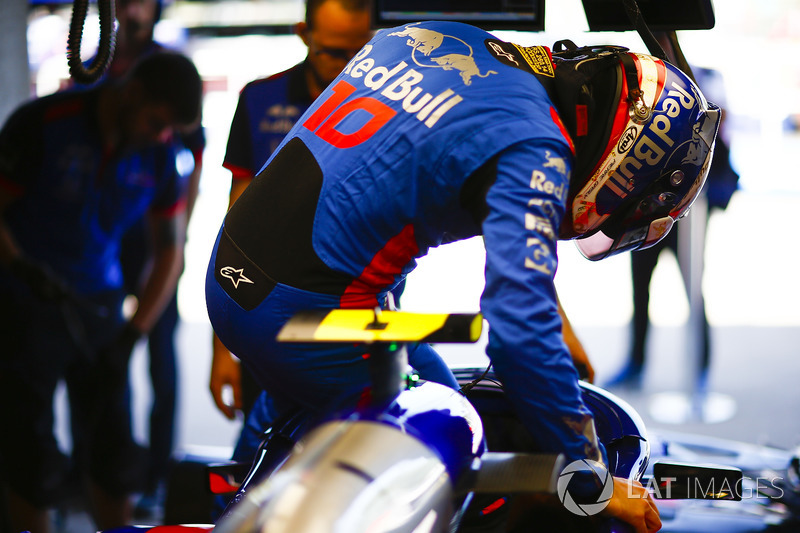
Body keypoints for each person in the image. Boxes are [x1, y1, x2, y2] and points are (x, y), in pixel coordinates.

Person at [206, 22, 721, 532]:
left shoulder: (451, 43)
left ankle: (240, 492)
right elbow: (520, 342)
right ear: (627, 161)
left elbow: (382, 188)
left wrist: (543, 337)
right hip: (298, 316)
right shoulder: (536, 147)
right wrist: (592, 483)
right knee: (454, 428)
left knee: (358, 382)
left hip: (232, 277)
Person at [0, 51, 203, 533]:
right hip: (26, 302)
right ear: (132, 94)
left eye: (170, 128)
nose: (162, 135)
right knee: (32, 457)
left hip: (100, 309)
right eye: (157, 121)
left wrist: (134, 333)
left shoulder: (159, 152)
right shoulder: (45, 123)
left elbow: (170, 251)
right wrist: (20, 267)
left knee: (114, 457)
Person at [209, 0, 372, 423]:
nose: (347, 67)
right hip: (266, 313)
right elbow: (234, 226)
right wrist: (222, 348)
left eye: (361, 52)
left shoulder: (394, 106)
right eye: (334, 52)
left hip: (358, 314)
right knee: (263, 455)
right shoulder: (260, 99)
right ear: (304, 34)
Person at [75, 0, 206, 514]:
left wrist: (181, 231)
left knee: (159, 354)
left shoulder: (167, 70)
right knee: (109, 356)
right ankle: (114, 472)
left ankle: (158, 475)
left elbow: (192, 156)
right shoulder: (94, 63)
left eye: (143, 1)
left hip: (158, 228)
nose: (133, 9)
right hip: (108, 238)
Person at [609, 59, 739, 390]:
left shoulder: (705, 81)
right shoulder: (644, 82)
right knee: (640, 289)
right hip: (647, 209)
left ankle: (700, 367)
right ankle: (636, 363)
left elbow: (720, 145)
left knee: (694, 288)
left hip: (690, 214)